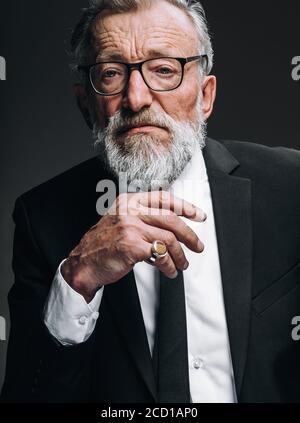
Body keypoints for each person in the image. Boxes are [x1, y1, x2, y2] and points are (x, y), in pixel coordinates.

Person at [1, 0, 300, 403]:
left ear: (205, 94)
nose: (137, 97)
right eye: (111, 74)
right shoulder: (44, 218)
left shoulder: (290, 186)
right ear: (85, 104)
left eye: (163, 70)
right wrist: (77, 279)